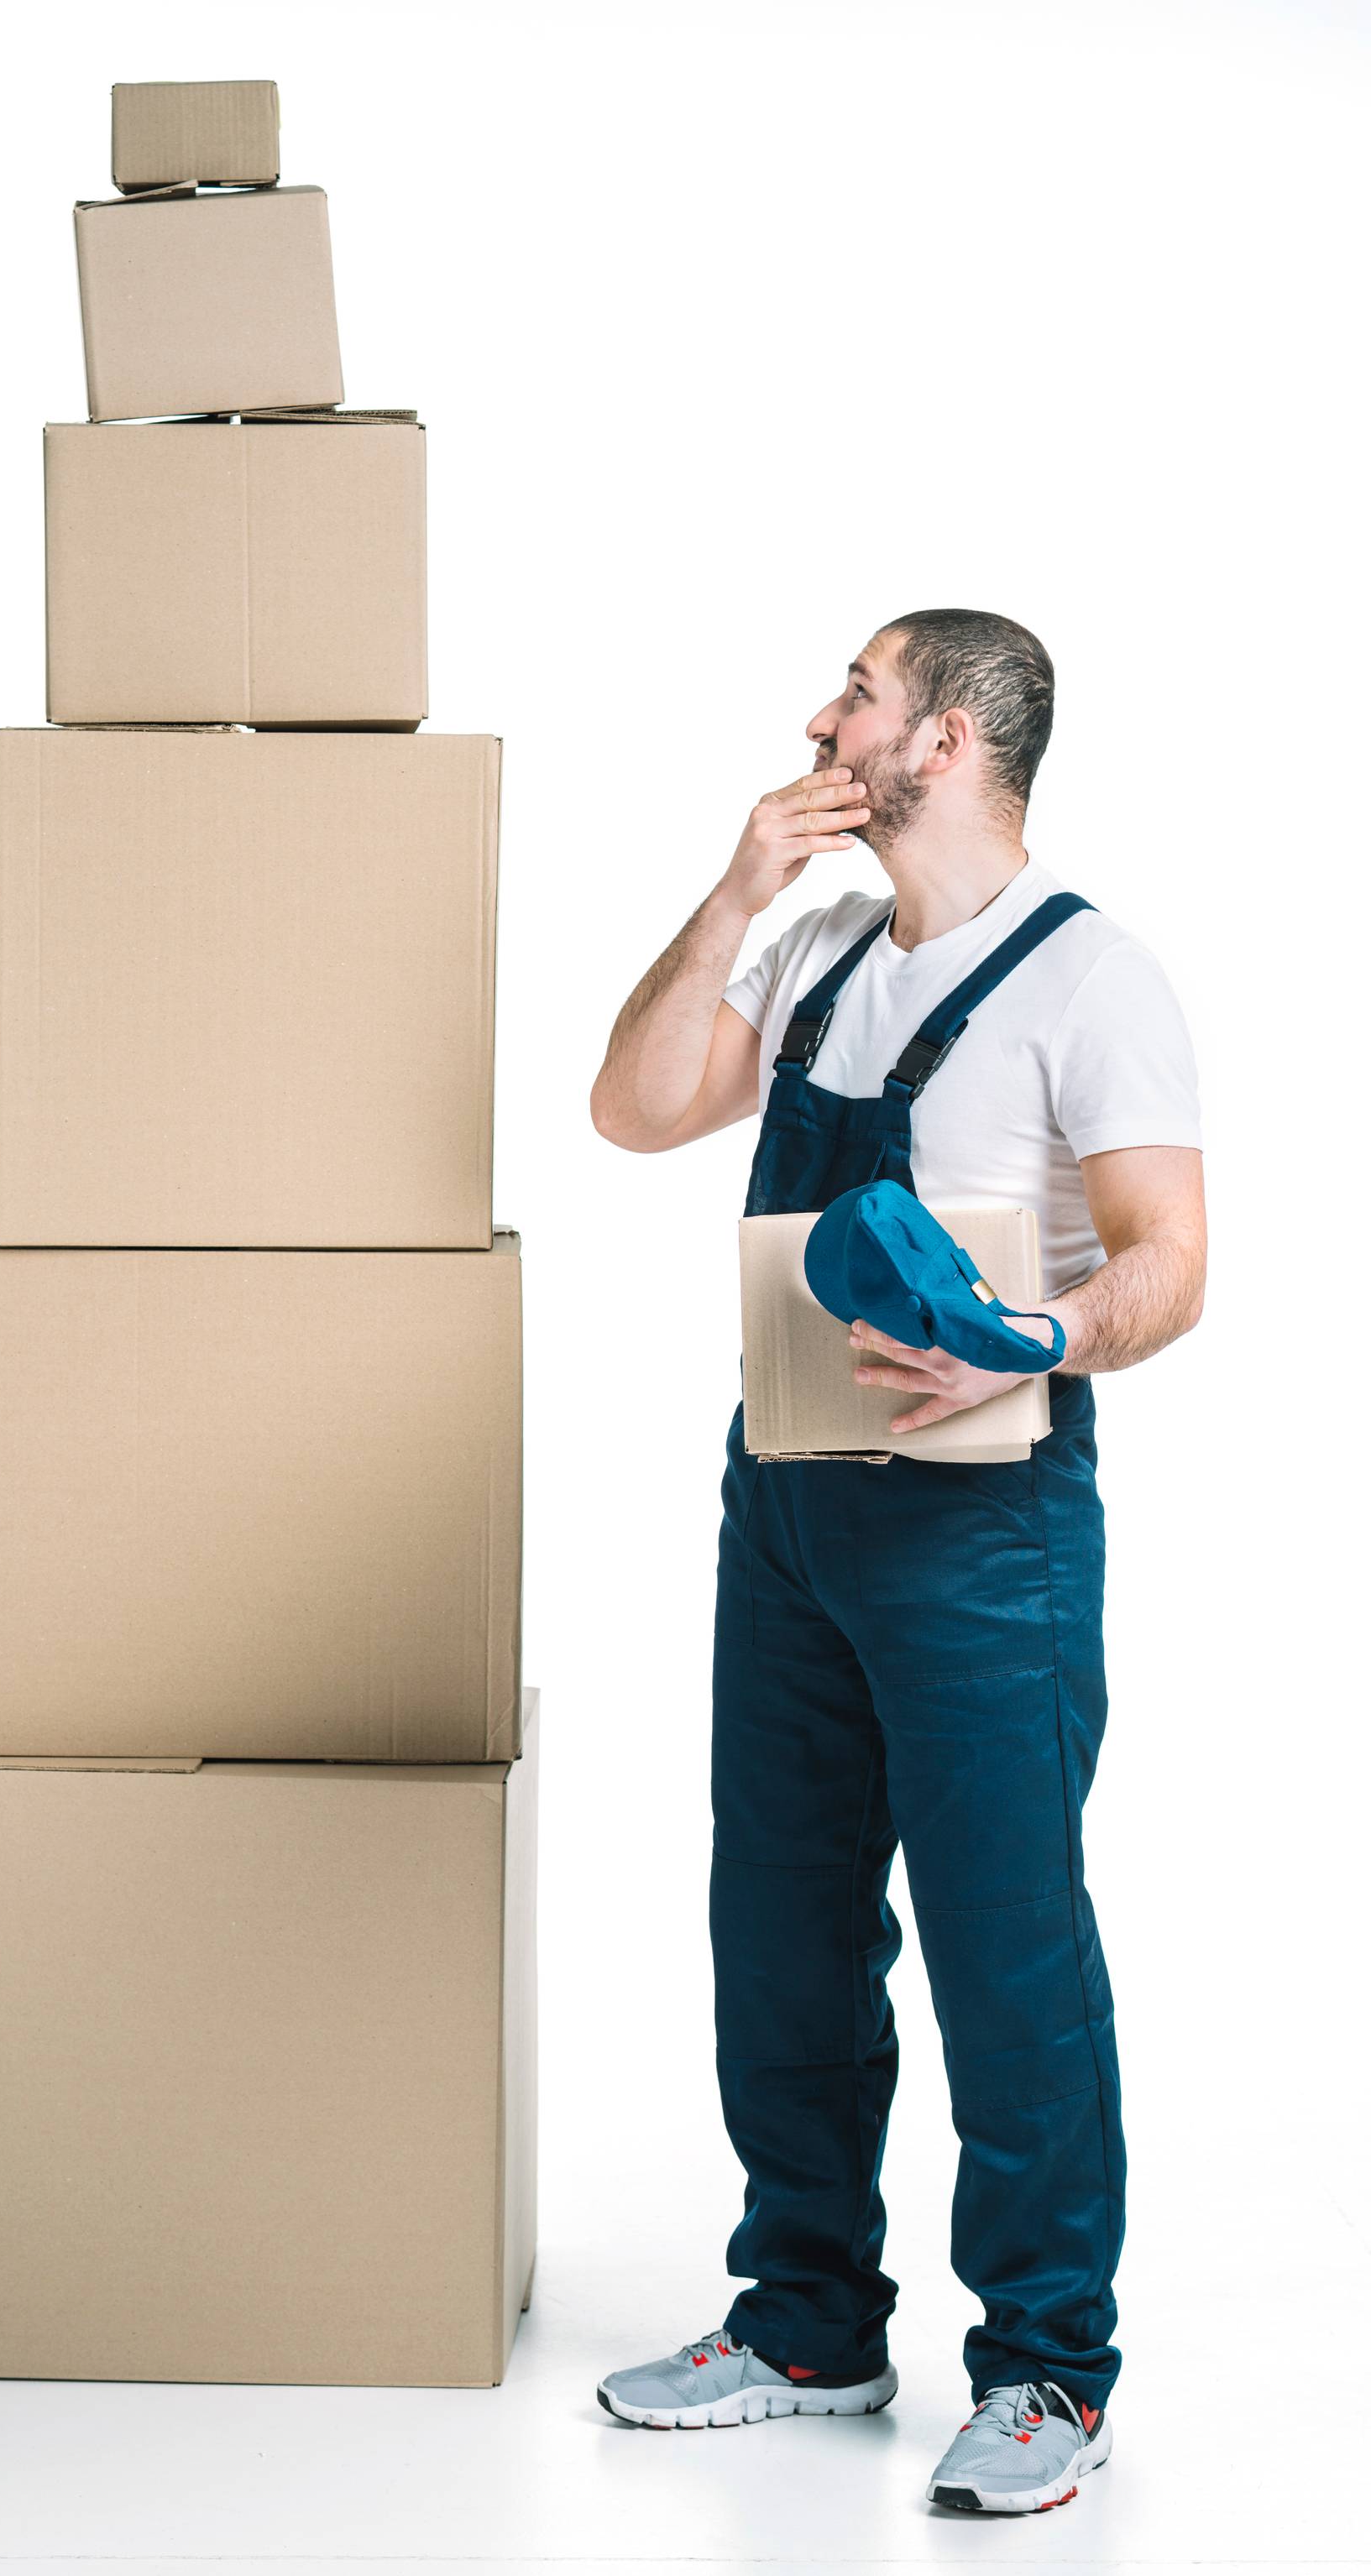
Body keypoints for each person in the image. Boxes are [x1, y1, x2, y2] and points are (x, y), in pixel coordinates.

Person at [587, 609, 1206, 2516]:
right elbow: (633, 1109)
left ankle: (1047, 2366)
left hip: (981, 1531)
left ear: (941, 740)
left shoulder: (1090, 977)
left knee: (1005, 1945)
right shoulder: (820, 948)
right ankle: (806, 2320)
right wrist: (733, 894)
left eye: (855, 691)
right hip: (784, 1498)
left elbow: (1171, 1259)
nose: (819, 717)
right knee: (778, 1922)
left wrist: (1035, 1340)